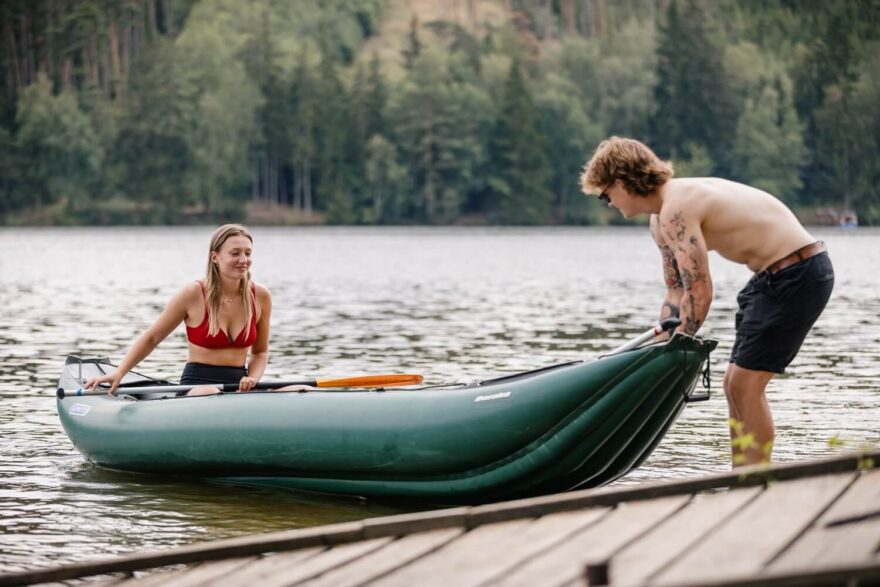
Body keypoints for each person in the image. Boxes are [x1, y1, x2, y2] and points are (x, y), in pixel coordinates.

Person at [580, 137, 834, 467]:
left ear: (622, 181)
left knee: (744, 385)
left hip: (799, 272)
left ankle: (752, 484)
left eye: (605, 195)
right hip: (770, 278)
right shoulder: (659, 220)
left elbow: (700, 291)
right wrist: (661, 343)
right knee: (733, 385)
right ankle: (741, 476)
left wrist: (678, 350)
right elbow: (676, 292)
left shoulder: (677, 208)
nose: (608, 203)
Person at [85, 224, 273, 396]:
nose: (243, 260)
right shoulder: (193, 293)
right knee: (210, 392)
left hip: (239, 387)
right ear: (215, 257)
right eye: (235, 253)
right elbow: (153, 338)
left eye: (248, 253)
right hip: (197, 387)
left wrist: (252, 379)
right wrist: (120, 373)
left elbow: (260, 353)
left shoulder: (261, 296)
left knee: (301, 389)